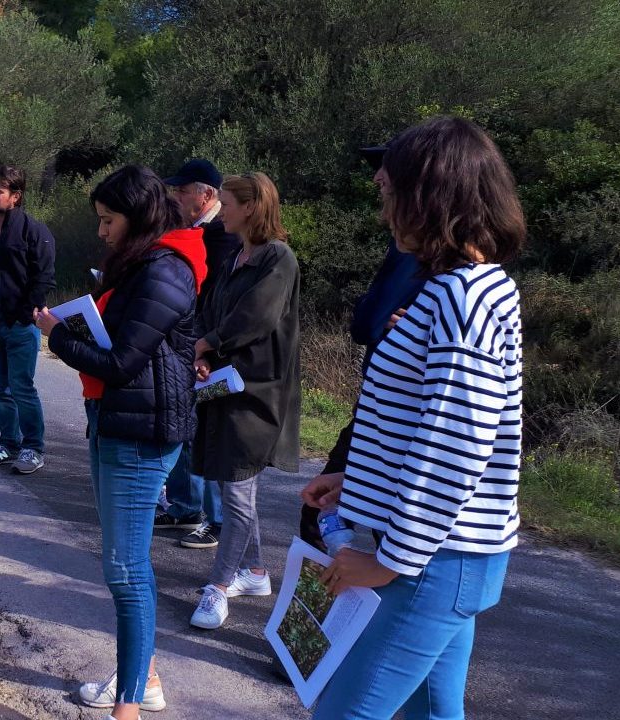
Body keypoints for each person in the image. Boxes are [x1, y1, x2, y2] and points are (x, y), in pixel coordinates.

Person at [302, 116, 526, 720]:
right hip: (446, 556)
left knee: (343, 713)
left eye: (388, 193)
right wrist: (360, 481)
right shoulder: (458, 288)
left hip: (433, 562)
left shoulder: (462, 297)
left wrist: (387, 561)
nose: (383, 208)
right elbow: (425, 425)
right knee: (432, 712)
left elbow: (456, 445)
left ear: (430, 198)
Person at [35, 166, 205, 719]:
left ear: (137, 217)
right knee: (124, 563)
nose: (103, 232)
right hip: (117, 422)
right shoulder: (141, 265)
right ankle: (144, 678)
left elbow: (122, 363)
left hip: (138, 433)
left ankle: (128, 708)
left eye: (109, 221)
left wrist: (59, 336)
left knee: (127, 572)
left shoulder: (164, 270)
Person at [299, 141, 428, 551]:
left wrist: (389, 564)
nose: (376, 178)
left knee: (327, 517)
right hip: (376, 412)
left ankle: (347, 603)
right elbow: (371, 320)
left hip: (390, 421)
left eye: (385, 169)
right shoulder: (408, 246)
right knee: (329, 509)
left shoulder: (423, 257)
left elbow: (367, 322)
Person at [188, 171, 301, 630]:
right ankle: (254, 572)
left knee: (235, 488)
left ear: (252, 207)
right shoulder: (238, 254)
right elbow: (212, 309)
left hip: (256, 392)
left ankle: (218, 587)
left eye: (230, 203)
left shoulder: (279, 259)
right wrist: (203, 349)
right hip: (226, 382)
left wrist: (210, 344)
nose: (223, 211)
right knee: (234, 484)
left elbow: (256, 317)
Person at [155, 159, 241, 547]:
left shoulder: (223, 234)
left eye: (182, 190)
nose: (176, 197)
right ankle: (185, 508)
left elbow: (217, 298)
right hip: (192, 343)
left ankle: (219, 520)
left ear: (206, 195)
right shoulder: (193, 229)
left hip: (213, 351)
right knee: (186, 425)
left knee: (208, 431)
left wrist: (203, 346)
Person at [0, 165, 56, 474]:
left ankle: (34, 448)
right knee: (1, 389)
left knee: (22, 387)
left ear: (16, 196)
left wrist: (27, 313)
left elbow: (44, 277)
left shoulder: (35, 231)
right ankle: (8, 443)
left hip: (19, 326)